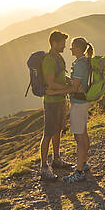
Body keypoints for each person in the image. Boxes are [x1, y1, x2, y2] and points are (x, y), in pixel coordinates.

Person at [39, 30, 74, 181]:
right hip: (52, 102)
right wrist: (68, 89)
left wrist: (69, 80)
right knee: (48, 133)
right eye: (62, 43)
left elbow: (59, 76)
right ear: (54, 43)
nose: (64, 46)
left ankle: (57, 159)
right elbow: (50, 83)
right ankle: (44, 167)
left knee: (58, 130)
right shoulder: (48, 60)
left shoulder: (58, 57)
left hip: (60, 100)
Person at [62, 36, 94, 184]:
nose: (71, 49)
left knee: (79, 138)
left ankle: (79, 172)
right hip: (83, 102)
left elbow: (75, 87)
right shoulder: (85, 62)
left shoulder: (80, 64)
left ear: (79, 48)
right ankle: (84, 163)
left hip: (78, 103)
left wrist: (59, 91)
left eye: (73, 46)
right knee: (83, 134)